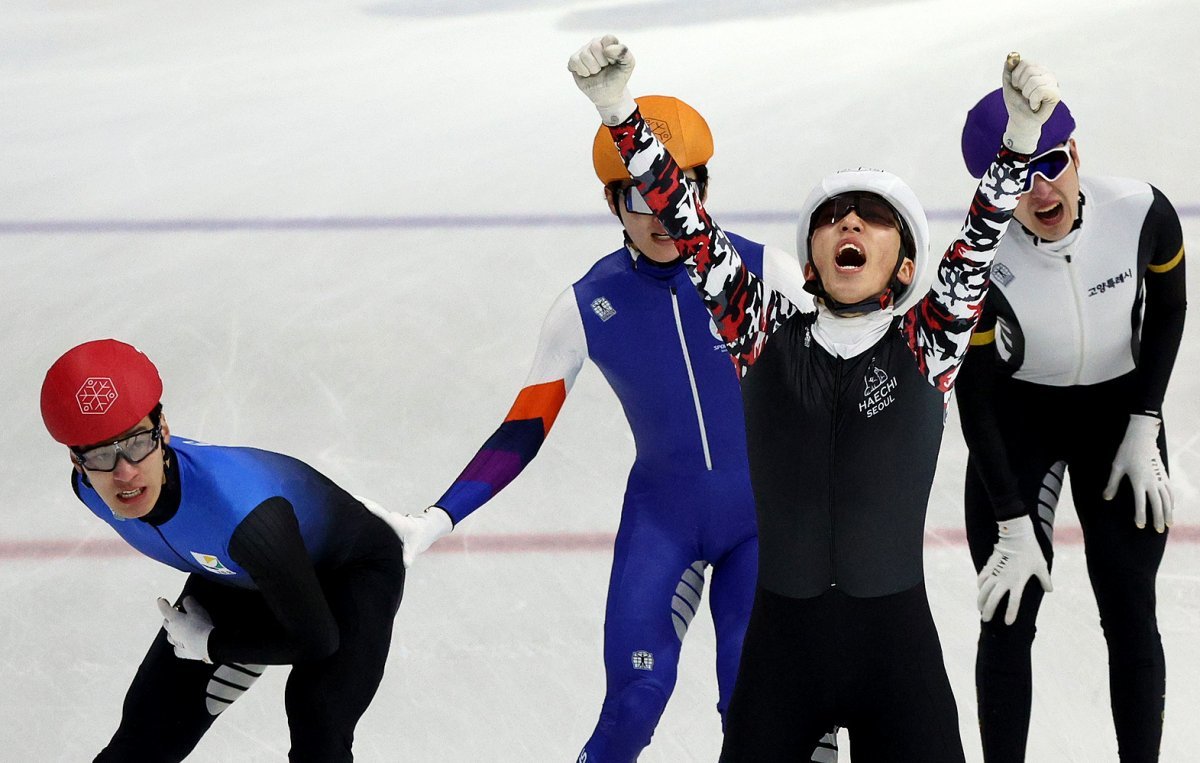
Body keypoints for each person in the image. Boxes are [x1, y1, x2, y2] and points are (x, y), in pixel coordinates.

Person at [568, 36, 1060, 761]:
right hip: (781, 656)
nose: (851, 224)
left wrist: (1021, 138)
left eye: (872, 215)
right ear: (811, 258)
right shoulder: (761, 331)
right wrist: (619, 113)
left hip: (897, 658)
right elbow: (689, 226)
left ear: (906, 262)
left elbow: (982, 235)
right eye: (834, 216)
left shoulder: (929, 341)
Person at [372, 97, 834, 761]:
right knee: (633, 701)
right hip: (664, 520)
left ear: (703, 188)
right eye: (640, 197)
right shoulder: (588, 304)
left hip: (766, 519)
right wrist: (436, 519)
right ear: (612, 202)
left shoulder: (769, 272)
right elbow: (523, 426)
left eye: (678, 191)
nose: (662, 214)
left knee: (761, 698)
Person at [956, 84, 1186, 762]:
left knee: (1130, 604)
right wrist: (1008, 517)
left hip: (1118, 418)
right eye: (1018, 180)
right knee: (1007, 614)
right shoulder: (979, 264)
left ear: (1075, 153)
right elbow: (973, 395)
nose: (1040, 191)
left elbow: (1169, 308)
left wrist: (1145, 419)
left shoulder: (1139, 211)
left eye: (1049, 164)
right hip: (1018, 423)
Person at [39, 339, 406, 762]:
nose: (125, 472)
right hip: (241, 575)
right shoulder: (88, 490)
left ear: (164, 431)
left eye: (138, 442)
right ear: (75, 460)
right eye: (102, 454)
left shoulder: (240, 514)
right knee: (145, 730)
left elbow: (317, 641)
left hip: (346, 574)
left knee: (318, 725)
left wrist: (215, 645)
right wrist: (229, 643)